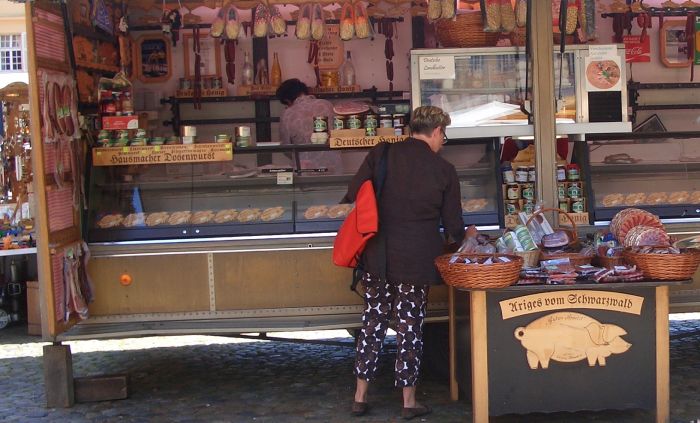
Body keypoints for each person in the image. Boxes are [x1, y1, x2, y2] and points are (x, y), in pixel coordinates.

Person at [341, 106, 466, 419]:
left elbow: (354, 191)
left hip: (378, 256)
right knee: (410, 328)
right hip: (416, 260)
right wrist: (465, 237)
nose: (442, 142)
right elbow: (453, 226)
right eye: (443, 136)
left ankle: (359, 397)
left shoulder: (382, 153)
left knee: (373, 324)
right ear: (436, 131)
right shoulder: (443, 170)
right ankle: (408, 403)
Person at [276, 78, 342, 174]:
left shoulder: (287, 114)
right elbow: (340, 135)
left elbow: (286, 148)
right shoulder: (327, 105)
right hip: (333, 169)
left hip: (305, 171)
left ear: (287, 100)